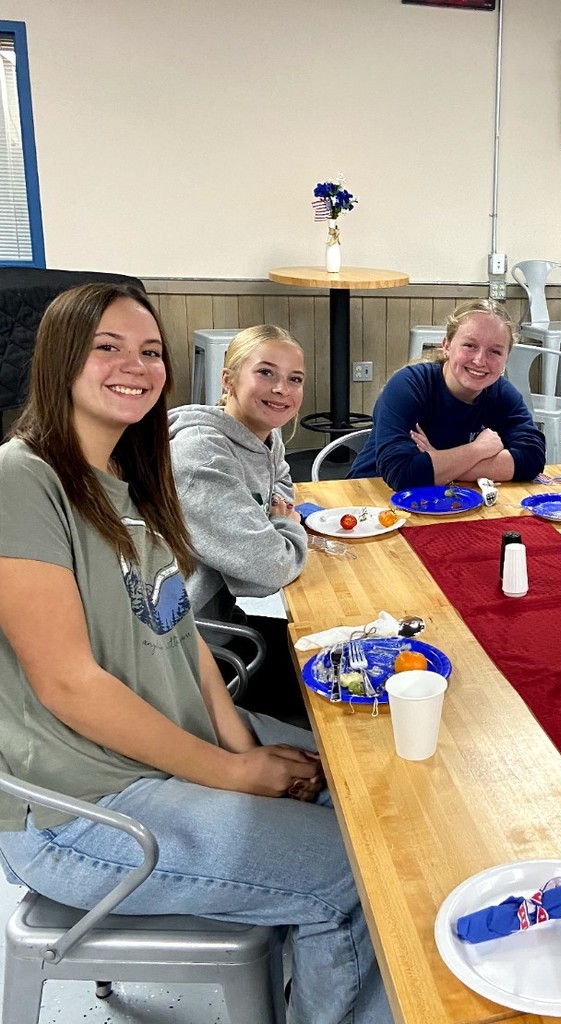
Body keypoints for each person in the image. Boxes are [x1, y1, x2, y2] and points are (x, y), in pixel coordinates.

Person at [0, 283, 390, 1024]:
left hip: (164, 756)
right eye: (105, 348)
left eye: (150, 351)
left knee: (369, 789)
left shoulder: (129, 479)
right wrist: (235, 772)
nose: (135, 366)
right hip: (82, 812)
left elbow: (181, 636)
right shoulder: (21, 479)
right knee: (353, 876)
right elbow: (68, 684)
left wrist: (242, 740)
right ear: (57, 362)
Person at [168, 325, 307, 719]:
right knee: (348, 687)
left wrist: (268, 519)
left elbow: (280, 480)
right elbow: (268, 569)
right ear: (228, 380)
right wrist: (283, 528)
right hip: (192, 654)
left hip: (227, 621)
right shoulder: (199, 454)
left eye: (294, 379)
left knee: (348, 649)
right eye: (266, 373)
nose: (281, 389)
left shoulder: (264, 432)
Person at [348, 299, 546, 488]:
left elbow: (532, 459)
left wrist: (438, 458)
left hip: (446, 500)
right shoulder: (408, 385)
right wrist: (478, 450)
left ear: (506, 358)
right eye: (470, 345)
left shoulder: (501, 392)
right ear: (447, 346)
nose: (479, 360)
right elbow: (403, 474)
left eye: (495, 352)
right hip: (369, 500)